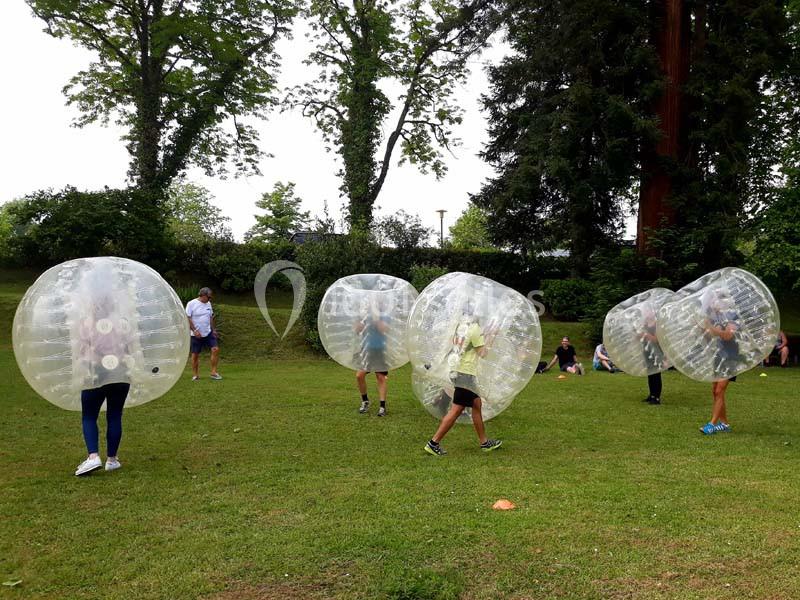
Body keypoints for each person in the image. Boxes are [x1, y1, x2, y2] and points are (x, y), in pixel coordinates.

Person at [424, 314, 502, 456]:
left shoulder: (461, 326)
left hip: (458, 371)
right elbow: (482, 353)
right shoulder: (475, 328)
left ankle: (484, 442)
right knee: (456, 410)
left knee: (477, 404)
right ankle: (433, 443)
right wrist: (493, 336)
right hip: (466, 374)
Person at [74, 298, 132, 476]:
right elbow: (129, 349)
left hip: (96, 372)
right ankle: (112, 460)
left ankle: (93, 457)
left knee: (89, 416)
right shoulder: (122, 324)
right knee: (115, 415)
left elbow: (82, 349)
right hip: (121, 373)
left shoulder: (86, 324)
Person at [699, 296, 740, 435]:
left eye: (716, 300)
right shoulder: (716, 318)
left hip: (730, 357)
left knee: (719, 391)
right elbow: (710, 337)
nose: (712, 302)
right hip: (719, 356)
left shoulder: (733, 316)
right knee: (715, 390)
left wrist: (710, 327)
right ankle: (725, 424)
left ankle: (712, 424)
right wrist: (702, 329)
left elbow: (727, 336)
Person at [355, 301, 389, 416]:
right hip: (366, 350)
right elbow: (357, 330)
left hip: (379, 350)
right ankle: (365, 401)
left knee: (381, 378)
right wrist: (361, 321)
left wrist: (376, 318)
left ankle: (382, 407)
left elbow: (384, 330)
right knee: (359, 375)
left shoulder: (384, 315)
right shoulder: (364, 316)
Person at [186, 287, 221, 381]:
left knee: (215, 349)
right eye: (208, 297)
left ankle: (213, 372)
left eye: (210, 298)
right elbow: (188, 318)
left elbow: (210, 317)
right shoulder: (191, 304)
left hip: (208, 332)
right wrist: (194, 330)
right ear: (202, 295)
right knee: (195, 355)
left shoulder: (208, 303)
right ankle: (195, 375)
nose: (210, 299)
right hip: (196, 334)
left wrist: (213, 330)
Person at [640, 311, 664, 405]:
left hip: (656, 352)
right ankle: (652, 395)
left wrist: (646, 335)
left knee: (656, 374)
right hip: (647, 351)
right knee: (650, 373)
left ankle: (657, 398)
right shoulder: (645, 323)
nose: (646, 312)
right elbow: (641, 337)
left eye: (648, 311)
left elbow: (657, 339)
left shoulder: (657, 324)